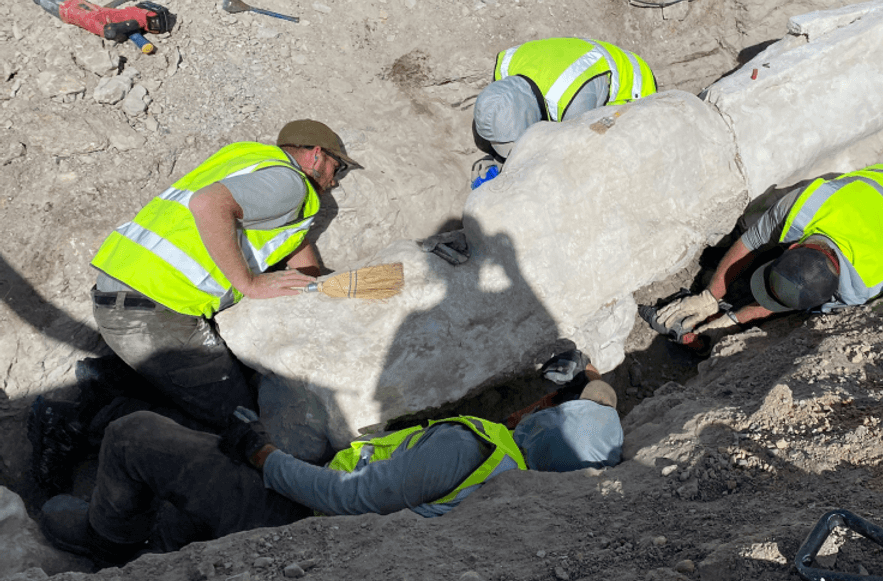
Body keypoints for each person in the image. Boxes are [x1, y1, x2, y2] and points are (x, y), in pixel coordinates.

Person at [38, 356, 623, 566]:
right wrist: (592, 379)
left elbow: (346, 499)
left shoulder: (471, 445)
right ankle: (170, 532)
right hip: (317, 508)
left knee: (134, 433)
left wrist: (261, 454)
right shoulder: (523, 487)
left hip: (295, 516)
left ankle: (112, 546)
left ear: (545, 421)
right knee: (190, 483)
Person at [87, 119, 361, 427]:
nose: (335, 182)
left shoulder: (246, 161)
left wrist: (320, 283)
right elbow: (209, 204)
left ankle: (115, 377)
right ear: (316, 155)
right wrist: (250, 284)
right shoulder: (291, 184)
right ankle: (83, 418)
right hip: (155, 307)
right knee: (239, 424)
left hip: (125, 290)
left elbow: (290, 242)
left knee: (219, 384)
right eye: (336, 169)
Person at [656, 164, 883, 347]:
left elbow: (790, 302)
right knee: (761, 219)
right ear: (794, 246)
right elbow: (753, 241)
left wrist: (732, 321)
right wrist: (710, 296)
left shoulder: (864, 289)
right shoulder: (804, 207)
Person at [472, 37, 657, 166]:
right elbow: (503, 114)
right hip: (578, 60)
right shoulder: (505, 67)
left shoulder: (572, 102)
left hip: (632, 83)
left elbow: (569, 159)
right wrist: (496, 157)